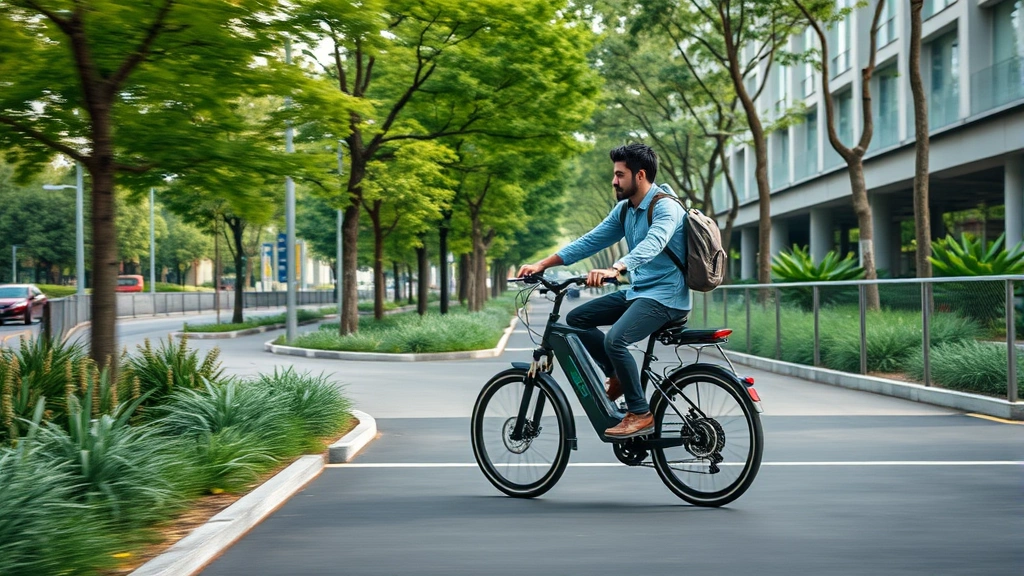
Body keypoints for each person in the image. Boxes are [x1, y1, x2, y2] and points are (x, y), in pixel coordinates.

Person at [516, 143, 690, 438]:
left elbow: (655, 243)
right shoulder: (626, 211)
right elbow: (590, 241)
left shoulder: (666, 206)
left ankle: (640, 413)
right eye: (614, 174)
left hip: (667, 296)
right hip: (639, 291)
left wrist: (617, 267)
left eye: (620, 175)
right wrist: (542, 264)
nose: (614, 181)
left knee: (616, 340)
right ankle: (617, 375)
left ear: (640, 175)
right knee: (575, 321)